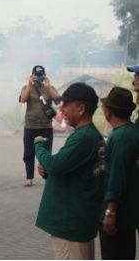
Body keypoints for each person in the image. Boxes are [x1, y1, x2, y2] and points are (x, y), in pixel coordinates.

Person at [34, 82, 104, 260]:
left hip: (70, 224)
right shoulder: (89, 135)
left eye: (66, 104)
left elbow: (55, 165)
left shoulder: (84, 137)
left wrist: (39, 147)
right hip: (79, 222)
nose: (61, 108)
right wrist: (50, 170)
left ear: (80, 108)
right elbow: (66, 168)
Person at [98, 87, 139, 259]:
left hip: (119, 216)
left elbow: (116, 176)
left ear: (108, 111)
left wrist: (110, 212)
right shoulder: (131, 131)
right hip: (129, 213)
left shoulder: (120, 137)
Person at [19, 65, 59, 186]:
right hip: (30, 125)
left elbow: (58, 100)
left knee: (46, 153)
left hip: (46, 126)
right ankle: (29, 177)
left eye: (41, 75)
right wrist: (30, 84)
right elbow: (23, 99)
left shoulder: (49, 88)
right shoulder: (26, 87)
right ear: (32, 75)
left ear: (44, 75)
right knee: (28, 153)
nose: (39, 77)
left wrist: (48, 86)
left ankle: (47, 177)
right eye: (36, 75)